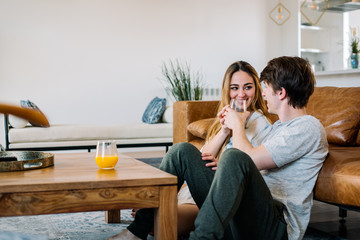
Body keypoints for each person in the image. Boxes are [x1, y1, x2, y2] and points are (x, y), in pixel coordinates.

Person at [108, 56, 329, 240]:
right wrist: (226, 138)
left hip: (275, 226)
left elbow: (248, 159)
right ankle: (136, 232)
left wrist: (237, 127)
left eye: (265, 89)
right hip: (245, 216)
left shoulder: (307, 127)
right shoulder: (279, 128)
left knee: (234, 156)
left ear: (281, 93)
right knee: (181, 152)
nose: (262, 95)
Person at [130, 60, 273, 237]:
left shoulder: (261, 123)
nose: (241, 94)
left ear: (256, 89)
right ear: (227, 91)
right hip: (199, 194)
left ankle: (147, 217)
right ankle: (145, 219)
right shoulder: (225, 120)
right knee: (155, 221)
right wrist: (223, 131)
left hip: (228, 198)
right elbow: (199, 160)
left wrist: (238, 128)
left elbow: (251, 168)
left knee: (156, 221)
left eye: (248, 87)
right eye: (234, 88)